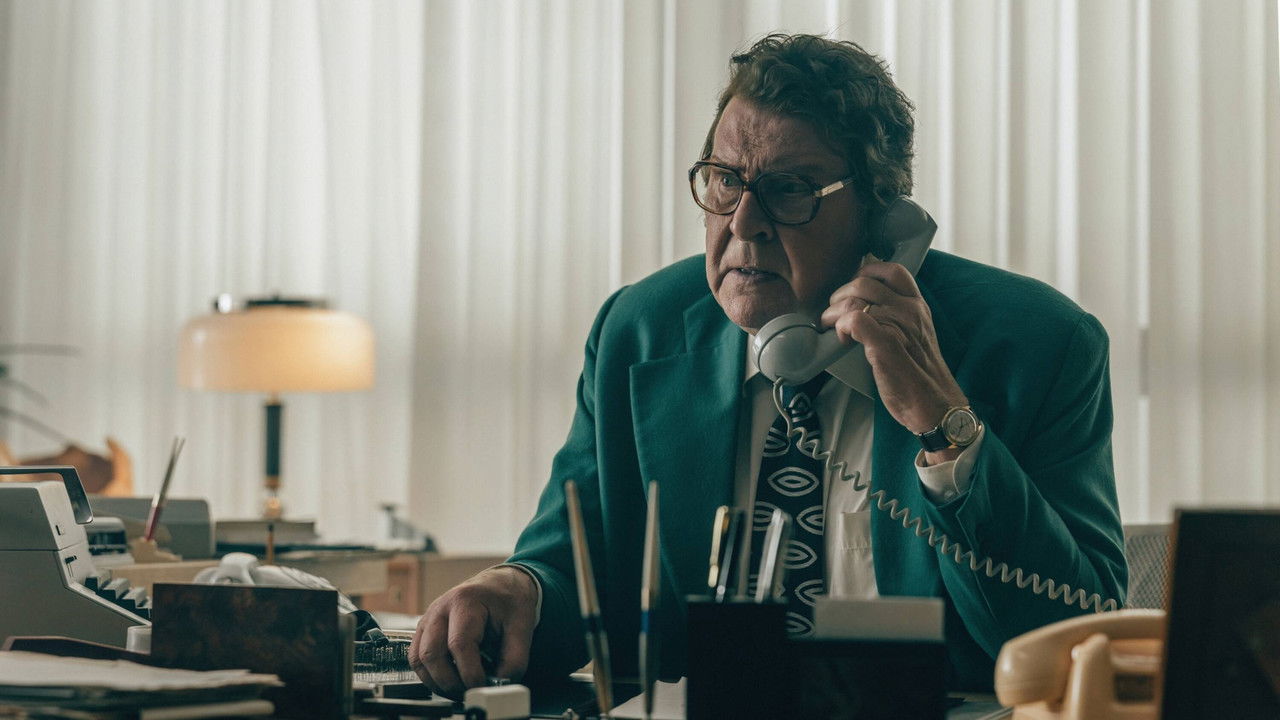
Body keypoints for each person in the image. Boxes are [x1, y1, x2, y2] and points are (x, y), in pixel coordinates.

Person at [410, 33, 1127, 696]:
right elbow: (574, 566)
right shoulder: (639, 331)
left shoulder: (1041, 344)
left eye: (788, 190)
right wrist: (516, 590)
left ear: (880, 217)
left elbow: (1080, 638)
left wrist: (946, 429)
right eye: (725, 180)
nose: (743, 223)